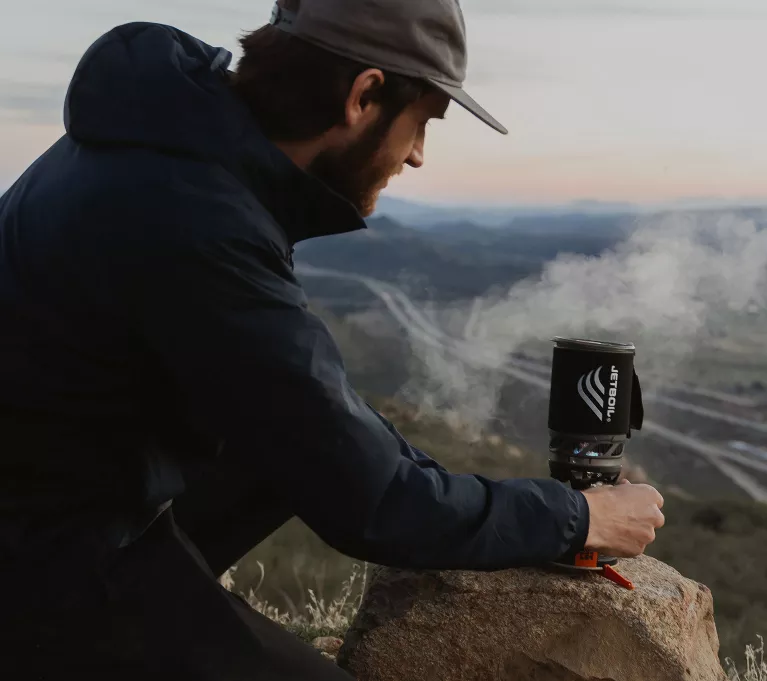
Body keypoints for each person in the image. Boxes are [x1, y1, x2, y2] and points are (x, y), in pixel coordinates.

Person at [0, 0, 665, 678]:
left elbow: (318, 419)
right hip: (43, 564)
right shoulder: (197, 222)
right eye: (421, 124)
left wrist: (504, 502)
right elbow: (371, 503)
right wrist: (574, 518)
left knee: (294, 433)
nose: (416, 155)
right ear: (364, 95)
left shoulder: (161, 143)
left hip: (62, 492)